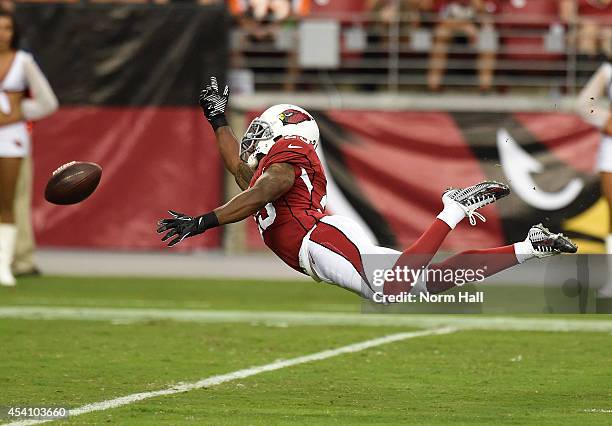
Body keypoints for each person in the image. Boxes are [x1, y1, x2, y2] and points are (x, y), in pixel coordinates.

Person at [157, 77, 577, 300]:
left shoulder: (290, 153)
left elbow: (267, 189)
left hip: (317, 237)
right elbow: (238, 168)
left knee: (392, 290)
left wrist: (204, 220)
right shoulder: (270, 164)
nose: (254, 137)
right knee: (423, 283)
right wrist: (216, 119)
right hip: (314, 246)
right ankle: (530, 248)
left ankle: (450, 210)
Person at [0, 11, 58, 287]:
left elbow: (48, 102)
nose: (2, 33)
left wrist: (20, 111)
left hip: (12, 138)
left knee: (10, 201)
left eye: (7, 28)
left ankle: (11, 263)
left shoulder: (23, 62)